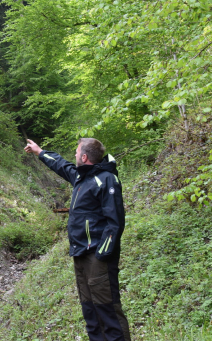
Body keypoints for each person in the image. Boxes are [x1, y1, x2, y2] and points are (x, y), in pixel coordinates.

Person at [24, 137, 131, 341]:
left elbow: (115, 222)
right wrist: (40, 152)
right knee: (90, 312)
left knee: (108, 312)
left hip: (97, 257)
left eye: (76, 152)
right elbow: (62, 165)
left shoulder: (106, 179)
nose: (74, 155)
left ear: (84, 156)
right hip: (80, 254)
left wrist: (102, 254)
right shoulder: (83, 177)